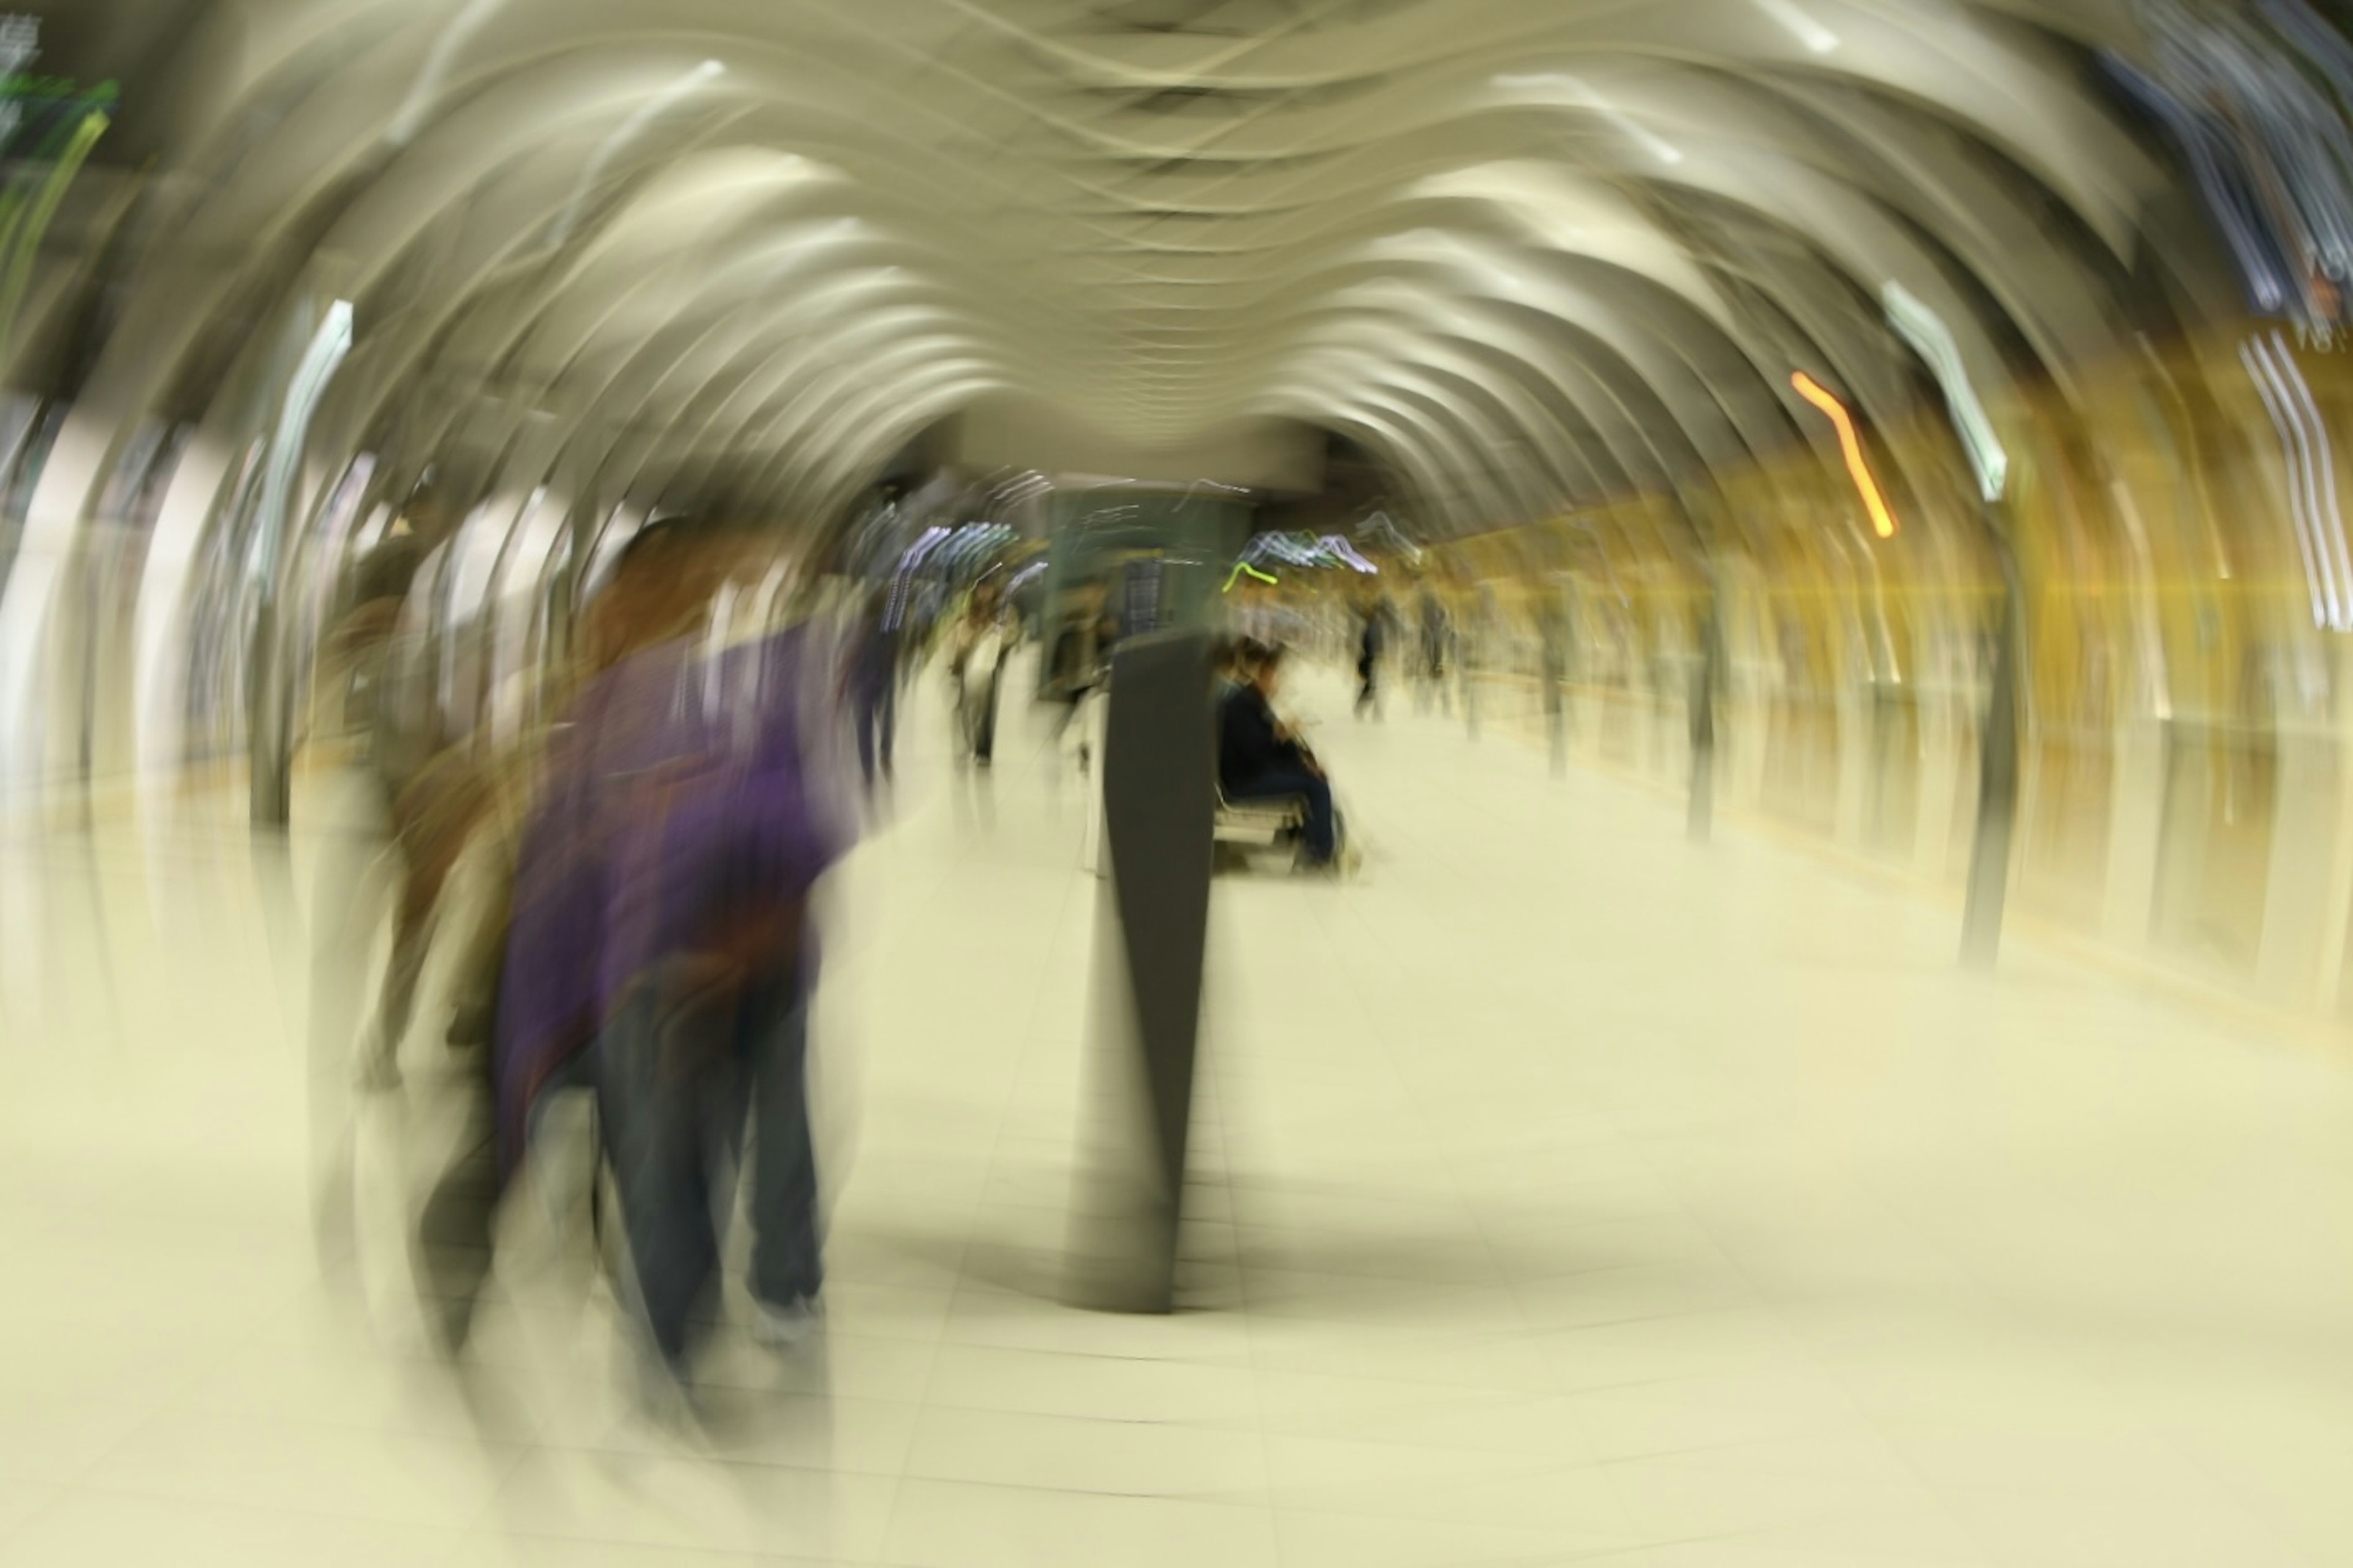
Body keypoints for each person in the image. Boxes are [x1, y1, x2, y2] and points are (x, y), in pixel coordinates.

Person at [493, 518, 851, 1403]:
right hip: (655, 966)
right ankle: (677, 1337)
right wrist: (539, 1024)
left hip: (732, 957)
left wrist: (756, 926)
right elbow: (563, 858)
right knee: (678, 1151)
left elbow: (803, 820)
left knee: (717, 1138)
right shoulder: (615, 702)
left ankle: (757, 1293)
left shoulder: (738, 688)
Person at [1218, 642, 1343, 871]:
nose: (1277, 682)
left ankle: (1312, 840)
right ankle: (1320, 853)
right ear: (1261, 675)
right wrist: (1280, 735)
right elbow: (1256, 753)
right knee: (1316, 787)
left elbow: (1266, 746)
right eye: (1274, 675)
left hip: (1252, 772)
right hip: (1244, 781)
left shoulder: (1252, 702)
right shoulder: (1240, 707)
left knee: (1314, 777)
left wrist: (1303, 759)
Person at [1355, 599, 1387, 719]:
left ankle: (1372, 712)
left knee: (1372, 686)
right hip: (1371, 659)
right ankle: (1363, 709)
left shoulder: (1371, 625)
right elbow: (1373, 643)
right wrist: (1378, 655)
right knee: (1372, 687)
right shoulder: (1375, 626)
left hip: (1369, 658)